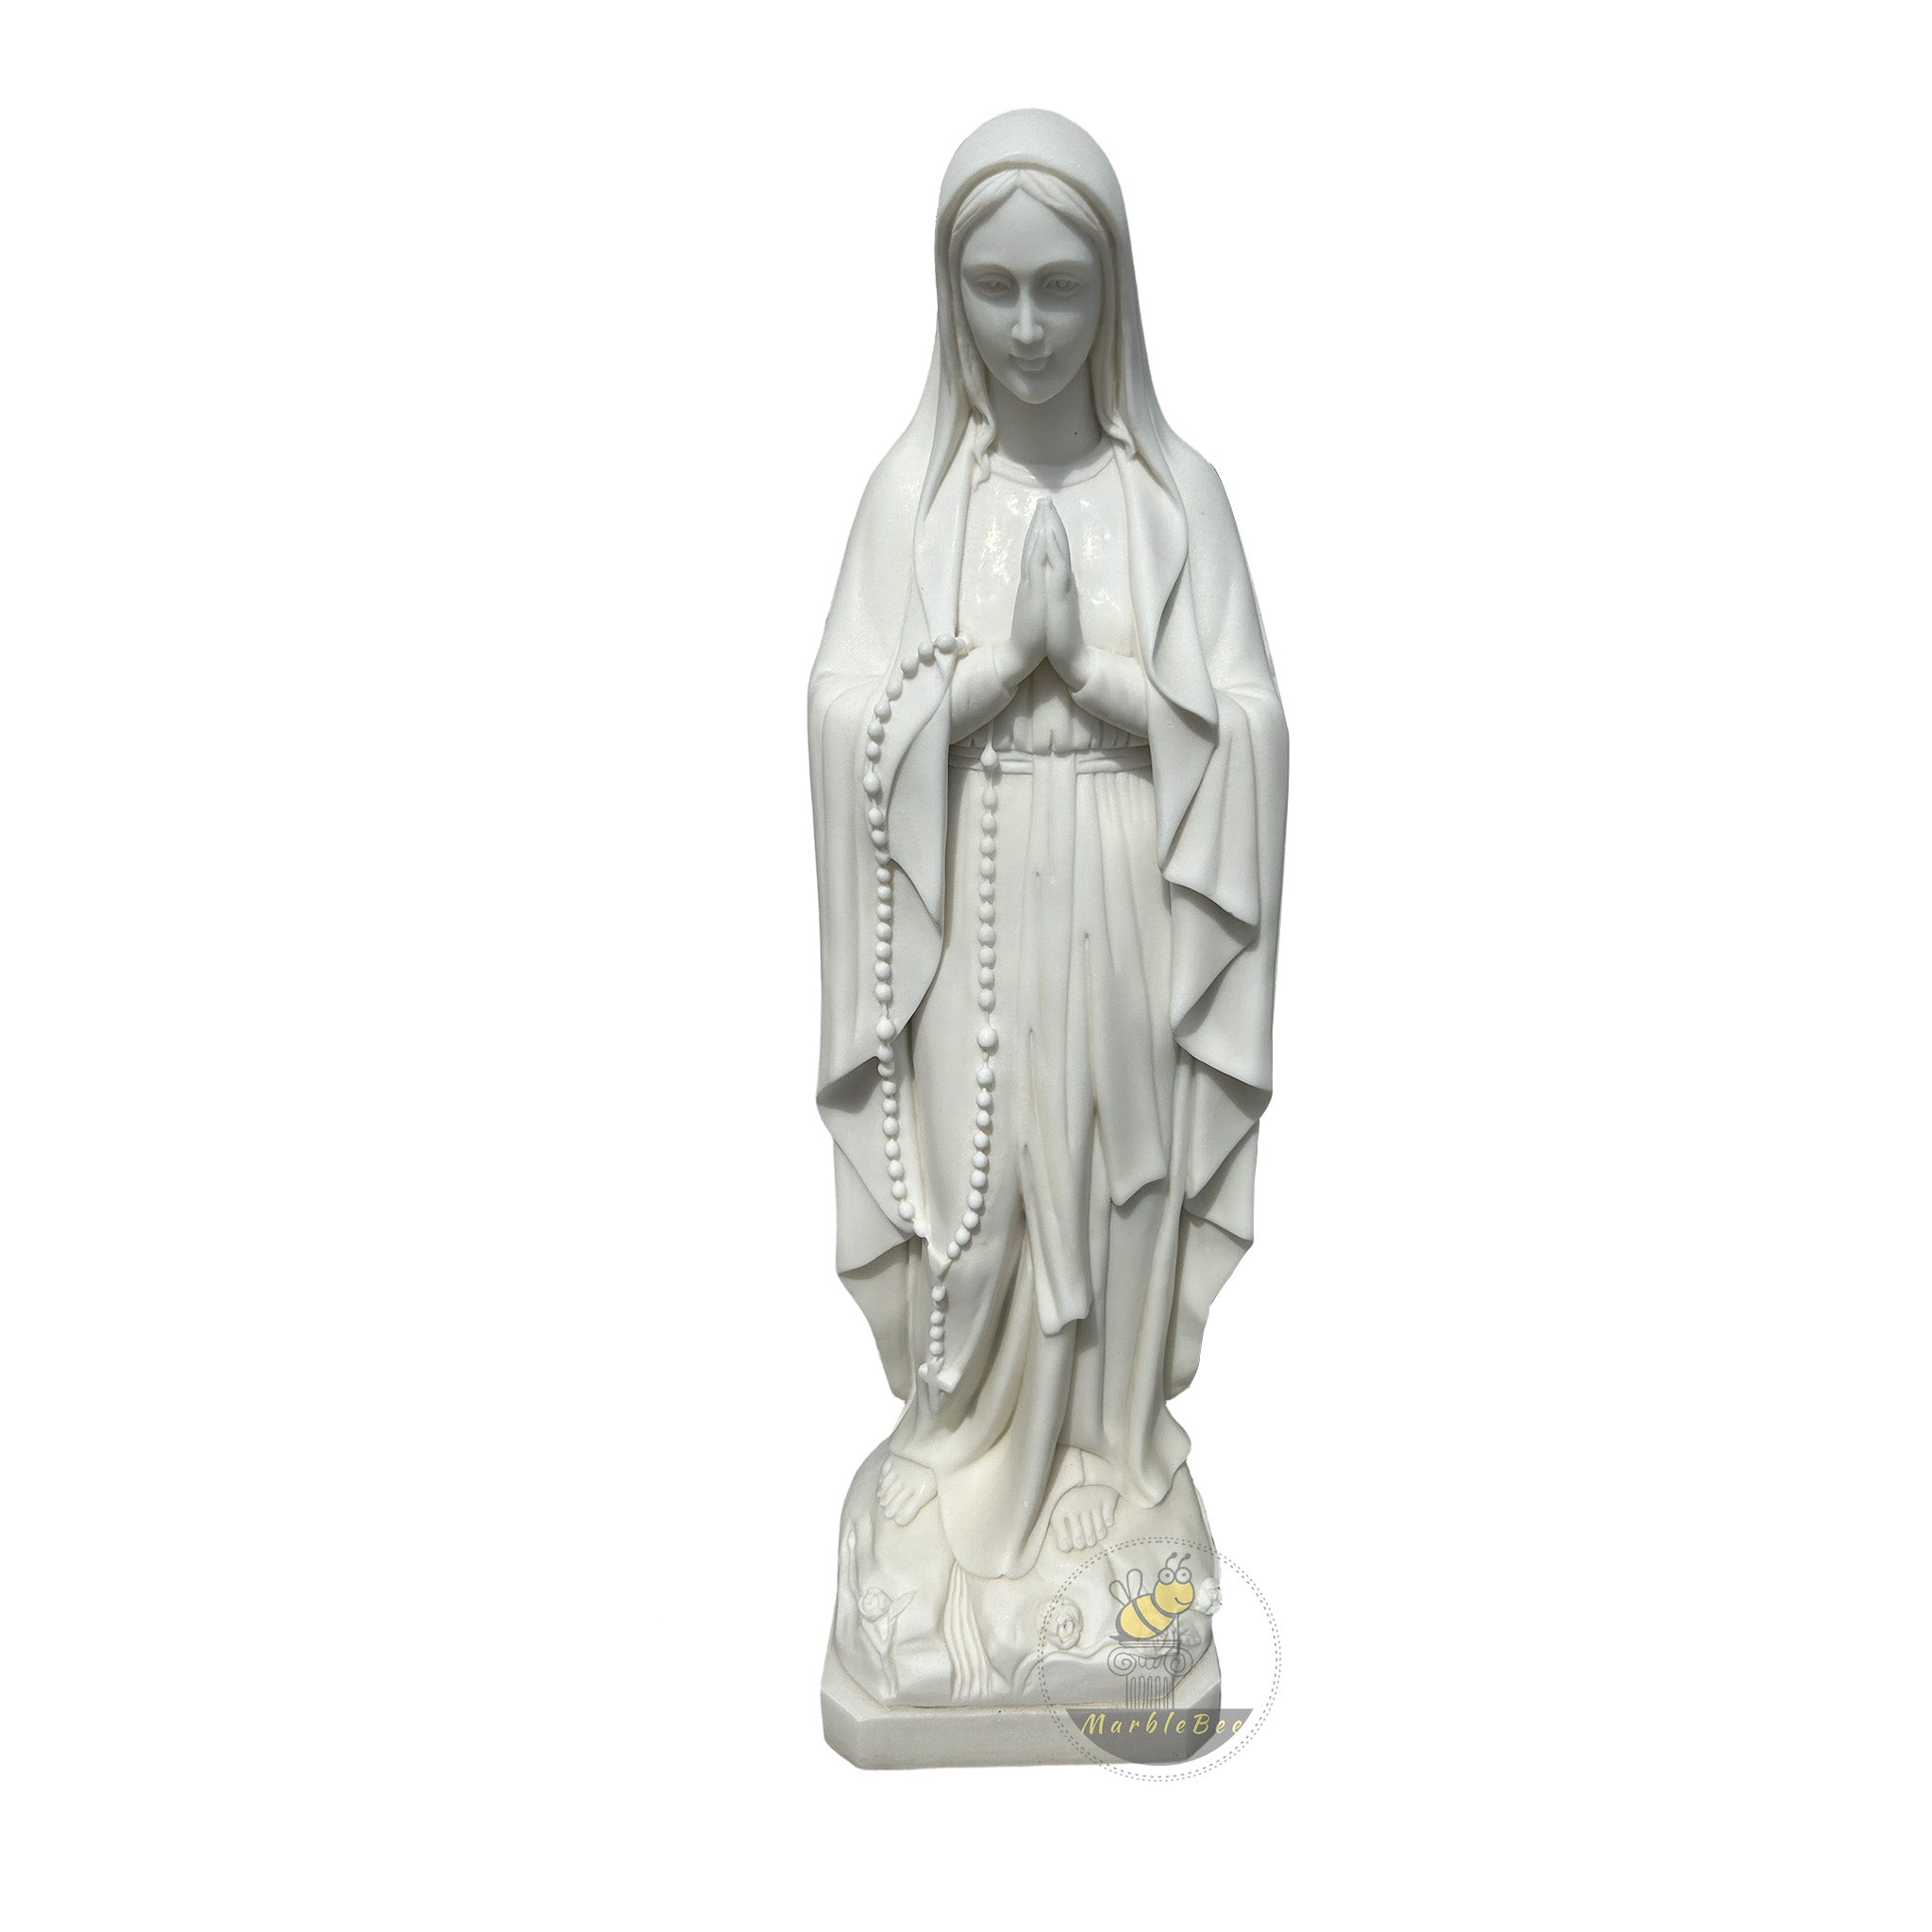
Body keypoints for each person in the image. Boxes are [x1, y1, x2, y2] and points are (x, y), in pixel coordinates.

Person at [810, 109, 1287, 1696]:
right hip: (969, 896)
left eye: (1060, 289)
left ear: (1115, 293)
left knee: (1112, 1174)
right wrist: (991, 677)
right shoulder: (914, 500)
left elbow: (1255, 725)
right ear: (947, 294)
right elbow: (839, 713)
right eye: (994, 288)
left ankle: (1104, 1453)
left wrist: (1096, 677)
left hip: (1125, 889)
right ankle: (960, 1452)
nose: (1026, 328)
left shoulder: (1177, 501)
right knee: (985, 1186)